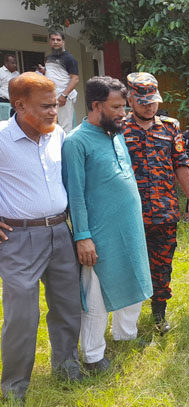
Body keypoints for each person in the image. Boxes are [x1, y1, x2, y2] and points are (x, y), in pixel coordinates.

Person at [62, 76, 153, 375]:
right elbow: (75, 195)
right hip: (99, 234)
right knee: (97, 297)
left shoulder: (116, 134)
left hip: (129, 228)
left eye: (123, 107)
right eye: (116, 107)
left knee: (134, 279)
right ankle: (92, 355)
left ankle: (125, 336)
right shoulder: (76, 142)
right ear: (96, 105)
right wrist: (83, 237)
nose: (122, 113)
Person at [0, 72, 82, 401]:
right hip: (18, 239)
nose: (54, 110)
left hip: (60, 233)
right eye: (46, 106)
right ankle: (13, 386)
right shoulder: (2, 139)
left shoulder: (57, 134)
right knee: (22, 316)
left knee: (67, 306)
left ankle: (67, 368)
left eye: (56, 103)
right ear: (20, 105)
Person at [123, 72, 189, 333]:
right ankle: (127, 321)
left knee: (162, 263)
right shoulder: (119, 128)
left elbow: (181, 164)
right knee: (131, 264)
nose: (149, 106)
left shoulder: (170, 126)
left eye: (152, 101)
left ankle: (158, 314)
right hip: (131, 213)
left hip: (165, 211)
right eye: (143, 101)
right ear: (130, 99)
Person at [37, 31, 79, 133]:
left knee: (65, 128)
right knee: (52, 126)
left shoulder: (69, 58)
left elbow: (75, 79)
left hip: (64, 97)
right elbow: (55, 74)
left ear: (63, 42)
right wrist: (44, 72)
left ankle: (66, 149)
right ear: (49, 42)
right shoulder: (50, 57)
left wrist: (64, 96)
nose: (55, 42)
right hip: (52, 97)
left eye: (58, 40)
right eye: (53, 39)